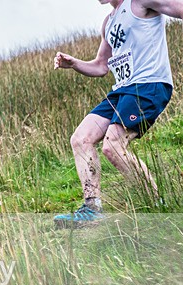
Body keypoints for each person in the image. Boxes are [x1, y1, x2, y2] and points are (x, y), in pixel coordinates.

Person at [53, 0, 182, 228]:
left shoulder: (140, 3)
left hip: (148, 85)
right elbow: (101, 66)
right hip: (122, 91)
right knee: (81, 139)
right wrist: (74, 64)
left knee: (112, 145)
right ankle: (92, 209)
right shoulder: (109, 22)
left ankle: (156, 205)